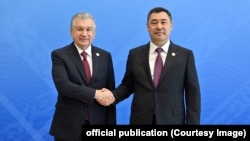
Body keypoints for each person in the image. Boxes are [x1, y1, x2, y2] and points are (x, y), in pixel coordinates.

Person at [103, 7, 201, 125]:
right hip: (141, 120)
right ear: (147, 27)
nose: (159, 26)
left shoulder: (185, 55)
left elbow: (193, 94)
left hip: (172, 120)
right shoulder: (135, 54)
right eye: (154, 22)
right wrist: (110, 97)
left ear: (171, 25)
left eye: (163, 22)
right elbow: (128, 85)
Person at [49, 12, 116, 141]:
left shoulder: (105, 56)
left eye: (88, 29)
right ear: (71, 32)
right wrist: (95, 94)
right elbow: (64, 86)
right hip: (68, 127)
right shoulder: (60, 55)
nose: (84, 34)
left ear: (94, 33)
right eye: (79, 29)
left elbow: (109, 94)